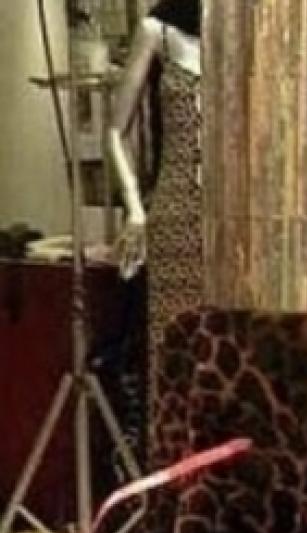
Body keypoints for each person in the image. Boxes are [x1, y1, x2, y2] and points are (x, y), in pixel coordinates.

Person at [105, 0, 203, 347]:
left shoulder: (245, 40)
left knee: (227, 343)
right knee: (172, 337)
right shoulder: (155, 32)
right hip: (177, 210)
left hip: (233, 217)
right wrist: (135, 208)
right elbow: (115, 132)